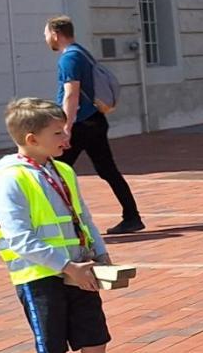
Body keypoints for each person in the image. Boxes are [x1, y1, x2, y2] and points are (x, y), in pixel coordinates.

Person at [0, 97, 153, 353]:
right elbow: (19, 238)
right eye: (58, 133)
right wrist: (67, 267)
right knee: (51, 352)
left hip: (80, 271)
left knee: (95, 341)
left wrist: (100, 253)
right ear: (32, 139)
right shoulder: (10, 179)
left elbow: (83, 217)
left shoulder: (63, 170)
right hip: (40, 278)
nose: (67, 138)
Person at [45, 16, 143, 233]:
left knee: (55, 171)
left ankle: (65, 223)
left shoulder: (69, 59)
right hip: (95, 120)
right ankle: (132, 216)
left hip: (80, 124)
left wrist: (66, 128)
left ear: (55, 34)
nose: (46, 39)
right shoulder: (82, 53)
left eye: (46, 34)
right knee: (107, 170)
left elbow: (71, 94)